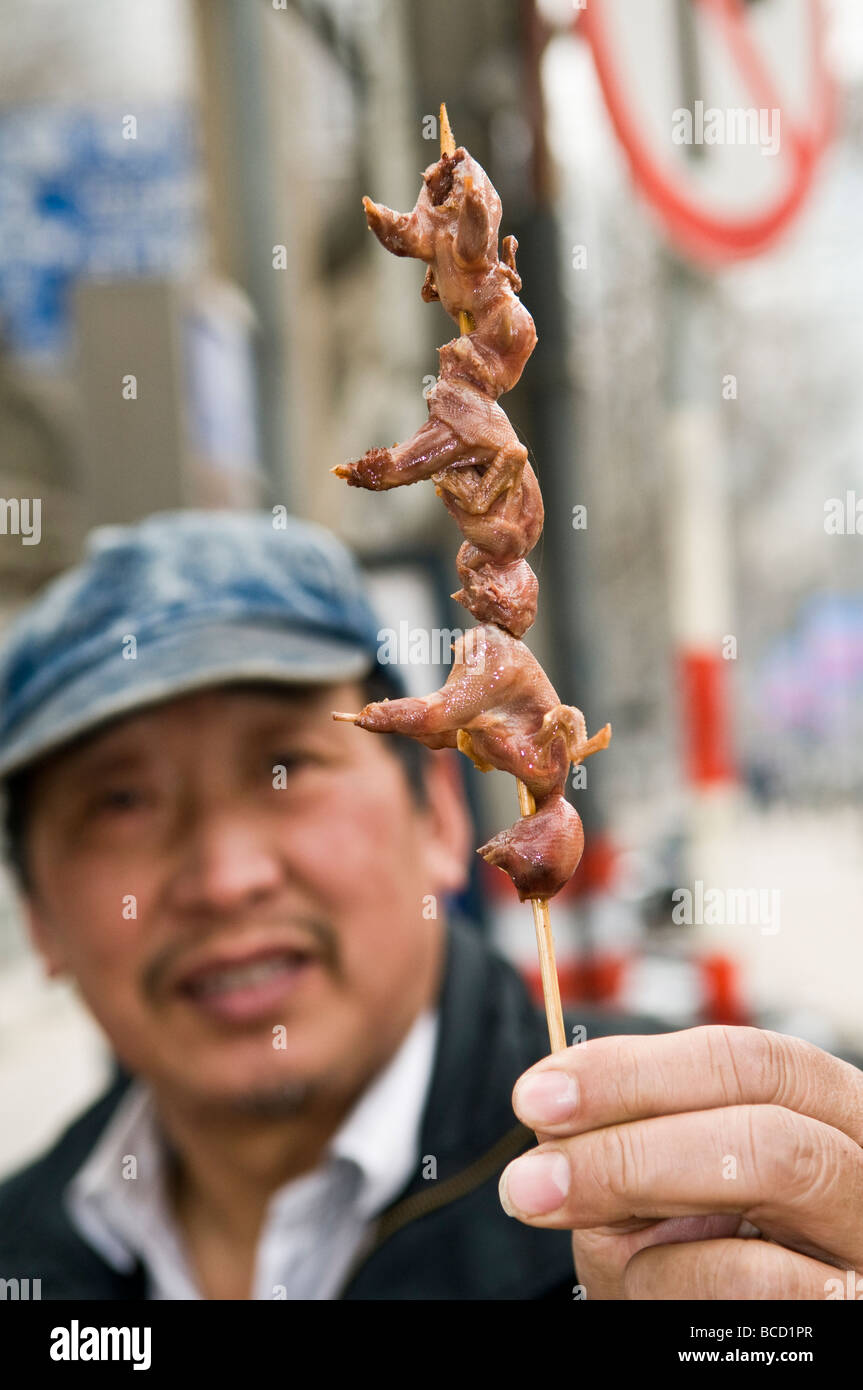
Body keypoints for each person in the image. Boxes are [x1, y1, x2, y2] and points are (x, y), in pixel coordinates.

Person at [0, 511, 860, 1301]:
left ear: (441, 815)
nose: (226, 877)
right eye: (119, 803)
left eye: (286, 766)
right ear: (37, 915)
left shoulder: (696, 1184)